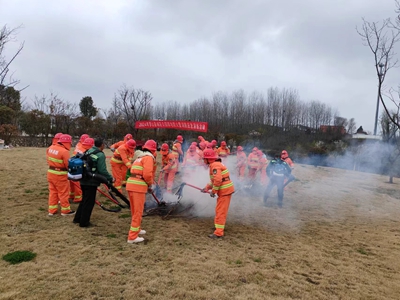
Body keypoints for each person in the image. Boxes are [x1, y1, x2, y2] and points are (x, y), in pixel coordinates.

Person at [73, 137, 114, 227]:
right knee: (89, 202)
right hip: (91, 181)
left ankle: (77, 218)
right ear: (102, 145)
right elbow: (102, 170)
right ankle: (84, 222)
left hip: (83, 179)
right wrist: (110, 178)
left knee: (84, 200)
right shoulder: (100, 155)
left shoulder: (89, 150)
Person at [126, 139, 157, 243]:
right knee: (138, 211)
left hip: (131, 184)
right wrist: (150, 184)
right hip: (138, 187)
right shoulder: (148, 158)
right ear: (153, 150)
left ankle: (137, 228)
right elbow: (147, 174)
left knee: (134, 210)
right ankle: (132, 237)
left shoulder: (139, 158)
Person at [201, 149, 235, 239]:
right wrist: (206, 188)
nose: (203, 160)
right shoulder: (216, 164)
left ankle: (218, 233)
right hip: (225, 191)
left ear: (209, 159)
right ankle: (218, 227)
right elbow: (214, 181)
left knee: (220, 212)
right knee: (219, 210)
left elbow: (218, 180)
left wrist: (214, 191)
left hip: (225, 191)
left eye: (204, 158)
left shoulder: (215, 165)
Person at [46, 134, 75, 216]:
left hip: (51, 173)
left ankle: (52, 210)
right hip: (60, 175)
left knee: (53, 192)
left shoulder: (50, 148)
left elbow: (48, 160)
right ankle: (65, 211)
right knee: (63, 193)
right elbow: (67, 165)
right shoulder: (64, 151)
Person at [69, 138, 95, 203]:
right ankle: (78, 198)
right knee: (78, 184)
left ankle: (71, 196)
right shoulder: (85, 151)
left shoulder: (79, 146)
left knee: (73, 184)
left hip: (73, 168)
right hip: (78, 169)